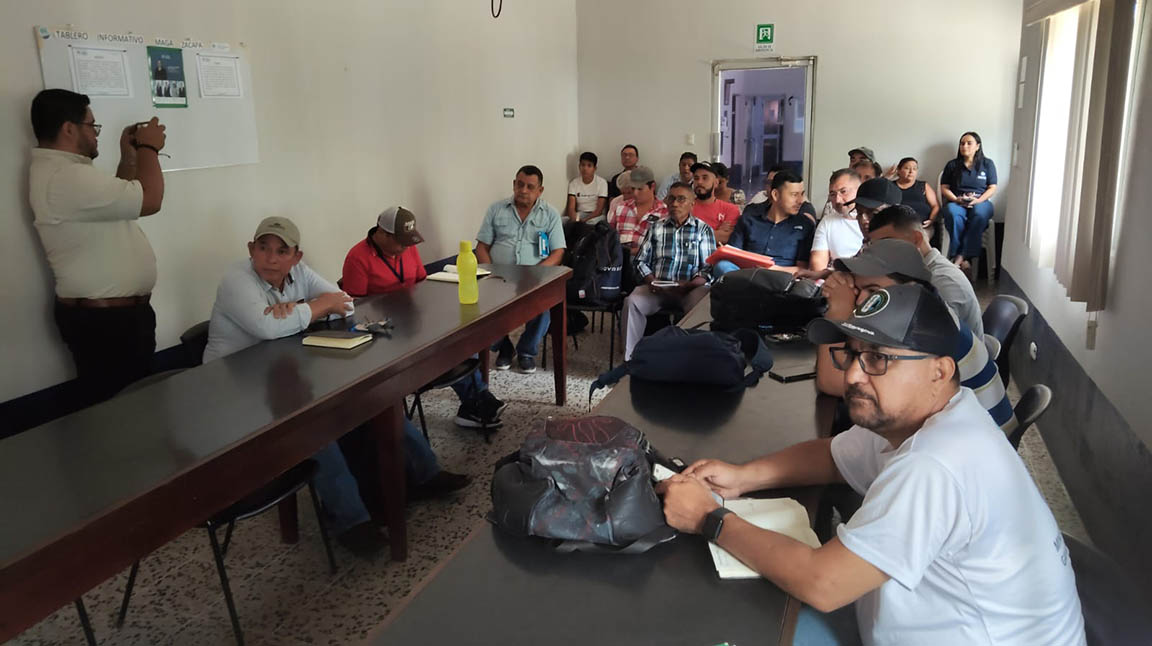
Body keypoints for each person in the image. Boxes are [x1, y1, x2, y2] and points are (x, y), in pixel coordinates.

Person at [659, 282, 1085, 646]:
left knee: (728, 628)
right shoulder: (932, 416)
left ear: (939, 371)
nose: (852, 376)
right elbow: (834, 454)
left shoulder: (935, 463)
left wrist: (709, 518)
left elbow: (823, 583)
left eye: (879, 358)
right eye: (853, 353)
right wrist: (741, 477)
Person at [203, 217, 470, 555]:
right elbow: (267, 328)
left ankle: (425, 474)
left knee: (375, 399)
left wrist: (301, 310)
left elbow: (344, 302)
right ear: (250, 250)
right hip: (235, 392)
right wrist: (316, 306)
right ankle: (351, 521)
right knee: (314, 428)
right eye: (263, 248)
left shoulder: (300, 273)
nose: (271, 258)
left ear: (296, 257)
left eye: (282, 251)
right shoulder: (236, 279)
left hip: (284, 374)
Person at [28, 89, 168, 408]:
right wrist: (149, 148)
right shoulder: (66, 176)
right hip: (105, 325)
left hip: (113, 320)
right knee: (121, 414)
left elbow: (119, 199)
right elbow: (150, 199)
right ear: (69, 128)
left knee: (130, 410)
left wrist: (130, 155)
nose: (95, 133)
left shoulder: (65, 173)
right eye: (91, 125)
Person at [814, 239, 1015, 431]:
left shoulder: (920, 327)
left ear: (910, 288)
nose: (859, 301)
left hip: (976, 440)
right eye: (857, 290)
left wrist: (838, 310)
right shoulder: (922, 307)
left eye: (873, 290)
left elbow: (833, 382)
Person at [342, 206, 507, 429]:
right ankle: (477, 402)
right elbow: (355, 310)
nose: (406, 248)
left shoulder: (408, 249)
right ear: (383, 234)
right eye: (401, 242)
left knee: (458, 336)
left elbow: (422, 283)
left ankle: (476, 401)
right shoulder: (357, 258)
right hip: (386, 336)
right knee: (444, 350)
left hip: (414, 321)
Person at [476, 165, 566, 374]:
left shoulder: (550, 214)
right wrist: (490, 273)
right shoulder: (496, 209)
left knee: (544, 305)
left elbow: (558, 252)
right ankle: (504, 346)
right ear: (514, 184)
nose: (523, 190)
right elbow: (481, 247)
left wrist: (537, 274)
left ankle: (526, 351)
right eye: (520, 184)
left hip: (534, 277)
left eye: (530, 187)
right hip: (498, 276)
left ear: (540, 190)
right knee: (482, 307)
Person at [624, 182, 716, 360]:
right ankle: (631, 360)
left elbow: (708, 268)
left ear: (692, 203)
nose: (674, 204)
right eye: (671, 199)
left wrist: (689, 285)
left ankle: (689, 360)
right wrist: (651, 280)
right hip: (657, 288)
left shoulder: (703, 230)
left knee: (704, 305)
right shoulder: (656, 227)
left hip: (690, 290)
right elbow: (640, 261)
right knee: (632, 302)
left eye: (681, 199)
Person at [866, 205, 984, 337]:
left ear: (916, 239)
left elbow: (929, 340)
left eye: (887, 244)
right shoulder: (912, 272)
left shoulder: (943, 282)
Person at [714, 171, 814, 276]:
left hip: (781, 277)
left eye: (802, 194)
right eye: (794, 195)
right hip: (746, 275)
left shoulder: (805, 225)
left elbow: (803, 269)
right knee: (722, 266)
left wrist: (773, 269)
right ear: (775, 195)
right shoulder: (749, 219)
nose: (800, 200)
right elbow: (733, 254)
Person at [941, 131, 998, 268]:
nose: (964, 146)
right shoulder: (952, 165)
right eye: (962, 143)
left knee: (979, 214)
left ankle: (960, 256)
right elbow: (944, 188)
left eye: (969, 143)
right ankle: (963, 258)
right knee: (953, 213)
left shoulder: (987, 164)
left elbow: (992, 188)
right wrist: (957, 199)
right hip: (957, 201)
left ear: (977, 146)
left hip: (981, 201)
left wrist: (978, 200)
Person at [808, 169, 863, 273]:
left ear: (860, 190)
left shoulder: (876, 220)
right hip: (835, 278)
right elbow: (817, 267)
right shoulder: (828, 221)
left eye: (843, 192)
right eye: (833, 194)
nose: (837, 200)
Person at [607, 166, 667, 252]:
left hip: (648, 257)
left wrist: (638, 252)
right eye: (633, 188)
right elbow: (608, 237)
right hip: (620, 256)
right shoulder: (620, 207)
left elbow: (664, 245)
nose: (635, 193)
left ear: (652, 186)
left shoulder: (664, 212)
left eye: (640, 189)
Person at [690, 160, 741, 245]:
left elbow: (727, 237)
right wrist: (716, 231)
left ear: (716, 183)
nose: (699, 182)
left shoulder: (730, 209)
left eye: (705, 178)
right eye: (696, 178)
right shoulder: (684, 207)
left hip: (718, 253)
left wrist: (694, 234)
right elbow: (681, 235)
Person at [892, 157, 940, 243]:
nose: (911, 171)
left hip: (922, 227)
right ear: (898, 170)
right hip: (899, 227)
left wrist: (931, 220)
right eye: (907, 168)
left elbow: (935, 205)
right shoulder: (890, 187)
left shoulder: (923, 186)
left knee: (920, 241)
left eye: (914, 169)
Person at [747, 164, 818, 222]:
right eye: (769, 183)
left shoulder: (804, 210)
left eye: (777, 183)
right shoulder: (756, 205)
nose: (772, 187)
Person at [565, 151, 608, 222]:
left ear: (595, 168)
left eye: (589, 166)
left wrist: (584, 221)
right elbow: (571, 209)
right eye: (583, 165)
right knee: (563, 220)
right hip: (580, 214)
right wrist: (575, 218)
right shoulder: (573, 183)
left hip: (596, 216)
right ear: (579, 166)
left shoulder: (602, 183)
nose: (585, 168)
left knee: (590, 222)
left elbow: (599, 210)